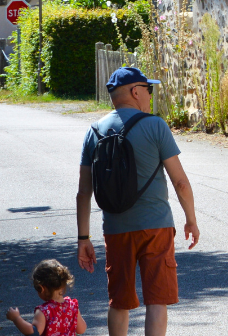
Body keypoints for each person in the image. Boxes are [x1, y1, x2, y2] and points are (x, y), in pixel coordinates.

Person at [77, 67, 199, 336]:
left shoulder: (94, 132)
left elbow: (83, 193)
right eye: (148, 90)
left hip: (115, 229)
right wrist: (191, 219)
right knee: (156, 299)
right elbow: (180, 182)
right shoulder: (155, 125)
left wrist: (83, 238)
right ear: (135, 92)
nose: (150, 96)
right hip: (156, 227)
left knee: (119, 301)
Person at [6, 259, 87, 336]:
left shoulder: (44, 311)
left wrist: (16, 318)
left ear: (41, 288)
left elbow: (33, 332)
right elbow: (81, 329)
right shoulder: (72, 306)